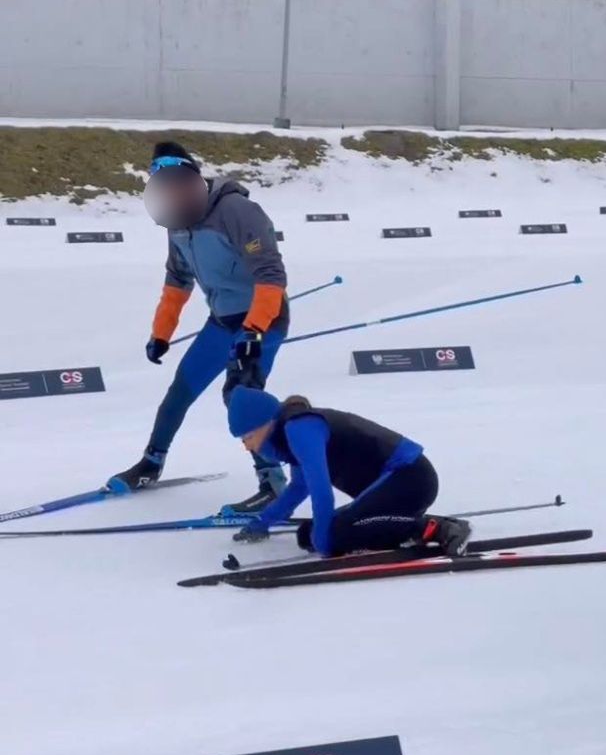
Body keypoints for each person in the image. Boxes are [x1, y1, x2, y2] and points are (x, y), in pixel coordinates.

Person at [107, 141, 289, 509]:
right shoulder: (176, 222)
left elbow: (271, 276)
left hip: (263, 318)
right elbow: (177, 281)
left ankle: (273, 482)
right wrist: (161, 333)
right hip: (222, 321)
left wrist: (254, 330)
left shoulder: (238, 212)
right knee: (180, 392)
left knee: (240, 395)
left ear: (192, 183)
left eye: (177, 187)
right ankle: (151, 462)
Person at [222, 385, 471, 557]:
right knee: (307, 534)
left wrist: (326, 540)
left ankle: (439, 529)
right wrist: (262, 523)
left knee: (335, 534)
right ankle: (405, 525)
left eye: (248, 437)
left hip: (411, 478)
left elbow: (321, 490)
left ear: (267, 424)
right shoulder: (290, 433)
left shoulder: (300, 428)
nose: (248, 446)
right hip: (393, 486)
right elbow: (299, 488)